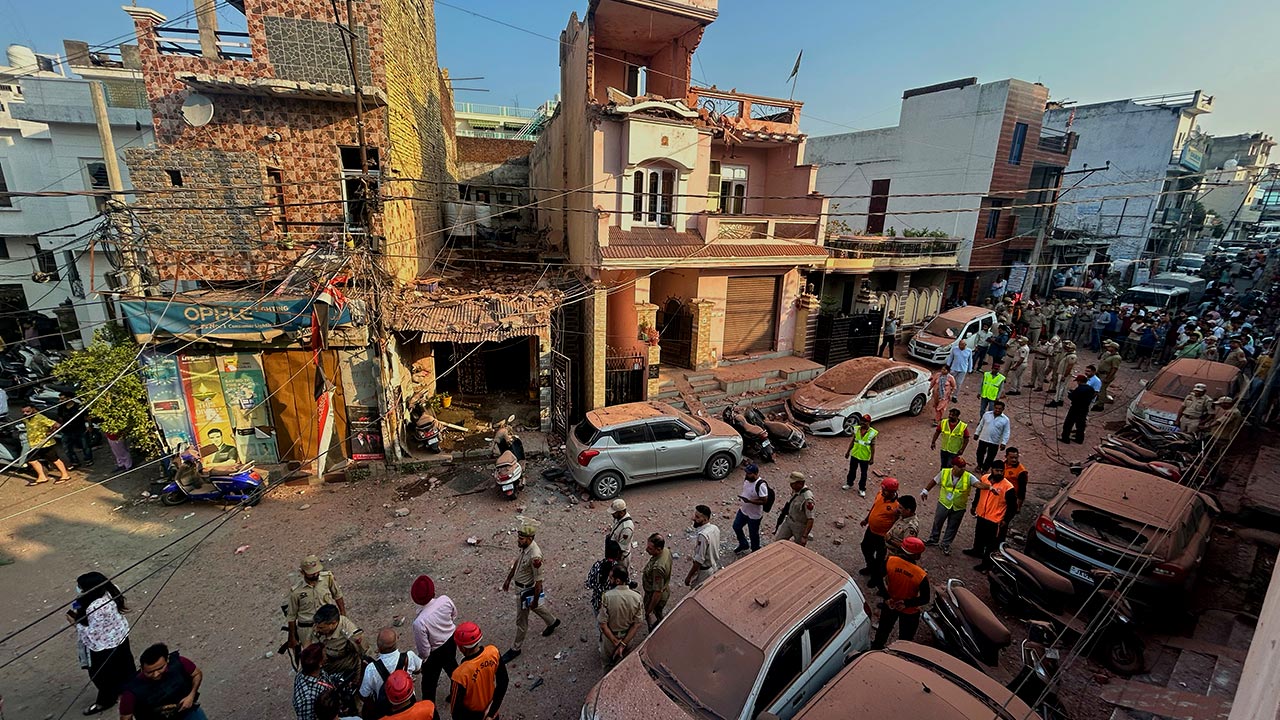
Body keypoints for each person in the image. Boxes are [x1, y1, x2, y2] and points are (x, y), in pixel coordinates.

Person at [69, 571, 134, 716]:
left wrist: (75, 622)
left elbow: (93, 633)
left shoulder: (95, 608)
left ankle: (106, 700)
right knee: (124, 666)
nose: (78, 588)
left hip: (101, 646)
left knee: (100, 675)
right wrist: (76, 606)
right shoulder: (110, 591)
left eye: (80, 586)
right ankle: (129, 690)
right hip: (120, 636)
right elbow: (79, 602)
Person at [500, 518, 560, 663]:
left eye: (521, 538)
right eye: (519, 538)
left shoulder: (535, 556)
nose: (518, 541)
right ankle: (552, 622)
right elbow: (517, 562)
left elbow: (539, 581)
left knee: (521, 621)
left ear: (530, 538)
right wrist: (508, 579)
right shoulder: (525, 549)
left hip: (525, 590)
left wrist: (534, 597)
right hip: (520, 588)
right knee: (536, 607)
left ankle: (516, 648)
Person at [119, 643, 205, 720]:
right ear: (141, 668)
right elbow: (126, 717)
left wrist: (191, 696)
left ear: (167, 660)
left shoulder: (179, 663)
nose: (156, 674)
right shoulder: (131, 691)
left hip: (187, 713)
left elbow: (196, 674)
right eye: (149, 672)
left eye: (160, 668)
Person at [871, 537, 930, 649]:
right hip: (909, 610)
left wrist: (886, 597)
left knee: (883, 630)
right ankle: (900, 656)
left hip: (891, 604)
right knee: (905, 639)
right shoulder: (920, 575)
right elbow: (925, 598)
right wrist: (905, 603)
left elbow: (876, 578)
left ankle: (875, 649)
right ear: (916, 555)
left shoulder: (890, 561)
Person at [409, 575, 456, 712]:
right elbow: (454, 615)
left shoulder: (419, 622)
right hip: (451, 641)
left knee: (428, 686)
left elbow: (424, 650)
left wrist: (423, 660)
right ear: (433, 591)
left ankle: (430, 712)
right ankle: (457, 692)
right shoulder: (445, 600)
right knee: (452, 668)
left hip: (435, 653)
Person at [288, 555, 347, 655]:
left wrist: (343, 617)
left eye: (317, 571)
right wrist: (292, 637)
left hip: (327, 626)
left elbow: (338, 596)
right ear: (302, 572)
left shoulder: (327, 578)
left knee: (333, 652)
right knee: (312, 656)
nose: (315, 574)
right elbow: (291, 616)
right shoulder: (296, 592)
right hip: (307, 629)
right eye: (311, 573)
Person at [449, 623, 509, 720]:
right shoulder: (493, 652)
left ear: (462, 647)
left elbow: (456, 712)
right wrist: (492, 711)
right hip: (492, 711)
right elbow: (503, 682)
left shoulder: (459, 675)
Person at [964, 460, 1016, 571]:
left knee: (991, 544)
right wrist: (974, 506)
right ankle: (977, 551)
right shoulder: (984, 479)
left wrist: (1006, 520)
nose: (999, 473)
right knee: (979, 535)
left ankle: (986, 565)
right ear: (992, 469)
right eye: (997, 470)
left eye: (1002, 471)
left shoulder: (1008, 487)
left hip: (995, 520)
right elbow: (978, 493)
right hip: (982, 514)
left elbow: (1013, 507)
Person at [921, 456, 978, 555]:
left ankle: (945, 544)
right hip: (944, 503)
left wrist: (988, 487)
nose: (963, 469)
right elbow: (934, 481)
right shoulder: (945, 472)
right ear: (953, 466)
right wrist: (925, 491)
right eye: (960, 467)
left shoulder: (969, 476)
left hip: (959, 506)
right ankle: (934, 539)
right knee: (938, 521)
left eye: (964, 467)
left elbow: (978, 484)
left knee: (953, 526)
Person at [361, 628, 423, 715]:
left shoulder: (371, 669)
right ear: (396, 642)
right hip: (408, 702)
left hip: (385, 709)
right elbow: (419, 670)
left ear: (378, 647)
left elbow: (364, 695)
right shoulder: (409, 657)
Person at [597, 566, 644, 666]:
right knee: (623, 664)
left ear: (617, 581)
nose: (609, 580)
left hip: (610, 639)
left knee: (607, 665)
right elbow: (637, 624)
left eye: (611, 578)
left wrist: (615, 642)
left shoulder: (607, 597)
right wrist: (622, 644)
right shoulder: (637, 597)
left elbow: (603, 624)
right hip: (627, 637)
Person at [311, 604, 367, 688]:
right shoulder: (319, 627)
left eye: (321, 628)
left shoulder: (350, 633)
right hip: (325, 661)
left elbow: (361, 657)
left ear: (333, 624)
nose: (316, 630)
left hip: (344, 662)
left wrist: (356, 681)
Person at [859, 478, 899, 592]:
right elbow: (874, 507)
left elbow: (896, 522)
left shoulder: (896, 506)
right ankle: (870, 567)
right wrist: (867, 519)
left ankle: (876, 577)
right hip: (871, 530)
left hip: (882, 536)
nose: (882, 491)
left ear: (891, 492)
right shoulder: (880, 494)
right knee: (865, 547)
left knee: (880, 558)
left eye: (885, 490)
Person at [20, 403, 70, 485]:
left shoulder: (40, 417)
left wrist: (50, 432)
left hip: (45, 444)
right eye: (23, 412)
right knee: (31, 460)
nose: (25, 413)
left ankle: (65, 475)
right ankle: (42, 477)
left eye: (28, 411)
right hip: (34, 444)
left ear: (33, 409)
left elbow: (57, 425)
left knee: (54, 459)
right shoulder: (26, 419)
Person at [293, 644, 335, 720]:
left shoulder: (313, 672)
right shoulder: (306, 700)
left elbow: (327, 679)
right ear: (320, 663)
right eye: (325, 655)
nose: (326, 657)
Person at [732, 464, 768, 554]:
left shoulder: (761, 485)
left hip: (754, 515)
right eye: (747, 473)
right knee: (736, 526)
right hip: (743, 510)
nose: (747, 475)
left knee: (753, 534)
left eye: (749, 473)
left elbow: (764, 501)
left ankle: (755, 550)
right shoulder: (747, 480)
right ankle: (743, 544)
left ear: (755, 474)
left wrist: (750, 501)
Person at [685, 504, 722, 587]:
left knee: (696, 591)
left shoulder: (703, 535)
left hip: (705, 571)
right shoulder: (714, 528)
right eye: (695, 516)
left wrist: (689, 576)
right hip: (714, 566)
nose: (693, 518)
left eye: (697, 517)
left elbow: (699, 560)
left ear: (705, 519)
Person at [774, 472, 815, 546]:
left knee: (799, 547)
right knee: (778, 542)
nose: (791, 485)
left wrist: (805, 536)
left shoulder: (807, 498)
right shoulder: (795, 490)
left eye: (793, 483)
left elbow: (810, 519)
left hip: (799, 526)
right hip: (789, 521)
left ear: (801, 483)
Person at [641, 534, 672, 629]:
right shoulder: (666, 551)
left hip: (654, 595)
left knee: (656, 613)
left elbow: (657, 592)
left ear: (658, 549)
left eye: (650, 548)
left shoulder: (658, 568)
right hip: (663, 588)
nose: (646, 549)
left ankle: (656, 629)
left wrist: (649, 610)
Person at [1000, 448, 1029, 542]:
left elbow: (1022, 491)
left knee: (1003, 524)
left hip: (1010, 501)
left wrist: (1018, 506)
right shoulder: (1002, 465)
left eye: (1015, 458)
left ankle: (998, 544)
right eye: (1011, 457)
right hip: (999, 498)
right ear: (1006, 457)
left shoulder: (1021, 472)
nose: (1014, 460)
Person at [844, 414, 877, 496]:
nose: (862, 423)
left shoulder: (872, 433)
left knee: (863, 474)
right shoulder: (856, 429)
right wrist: (848, 451)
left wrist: (872, 458)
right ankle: (849, 483)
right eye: (862, 421)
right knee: (852, 470)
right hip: (855, 454)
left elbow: (873, 447)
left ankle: (862, 488)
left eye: (865, 421)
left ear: (869, 422)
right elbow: (853, 441)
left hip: (864, 457)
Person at [57, 392, 93, 466]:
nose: (60, 401)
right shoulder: (61, 408)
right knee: (67, 448)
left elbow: (87, 417)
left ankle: (88, 459)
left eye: (62, 399)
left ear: (69, 398)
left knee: (85, 446)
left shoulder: (79, 407)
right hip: (67, 431)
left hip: (80, 429)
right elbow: (60, 418)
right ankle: (74, 461)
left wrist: (89, 426)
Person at [973, 401, 1011, 471]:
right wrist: (977, 433)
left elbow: (1006, 432)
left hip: (994, 441)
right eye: (996, 408)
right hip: (983, 438)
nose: (997, 410)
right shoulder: (987, 414)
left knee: (990, 456)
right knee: (979, 453)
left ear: (1003, 409)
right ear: (994, 407)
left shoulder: (1005, 420)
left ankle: (985, 468)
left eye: (999, 409)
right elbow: (981, 424)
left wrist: (1003, 443)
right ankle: (979, 465)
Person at [884, 495, 920, 561]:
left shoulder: (910, 528)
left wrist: (890, 540)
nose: (898, 509)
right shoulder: (904, 515)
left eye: (900, 508)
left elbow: (907, 547)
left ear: (908, 510)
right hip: (889, 551)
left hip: (896, 556)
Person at [1060, 375, 1094, 444]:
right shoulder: (1091, 389)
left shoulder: (1079, 389)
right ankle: (1079, 439)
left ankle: (1065, 438)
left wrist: (1070, 394)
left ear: (1079, 381)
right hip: (1084, 408)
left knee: (1068, 424)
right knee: (1080, 425)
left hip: (1075, 408)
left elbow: (1073, 397)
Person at [1046, 341, 1078, 408]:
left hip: (1064, 374)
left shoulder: (1072, 356)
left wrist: (1064, 376)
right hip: (1062, 372)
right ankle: (1060, 400)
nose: (1067, 348)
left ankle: (1055, 401)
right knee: (1062, 387)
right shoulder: (1068, 354)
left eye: (1068, 348)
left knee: (1060, 387)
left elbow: (1069, 367)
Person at [606, 499, 635, 570]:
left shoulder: (627, 527)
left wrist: (614, 561)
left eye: (614, 512)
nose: (612, 514)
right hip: (614, 554)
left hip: (621, 558)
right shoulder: (618, 519)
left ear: (621, 512)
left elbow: (621, 548)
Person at [1094, 341, 1123, 411]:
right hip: (1101, 373)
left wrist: (1108, 378)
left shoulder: (1116, 357)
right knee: (1099, 388)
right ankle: (1099, 401)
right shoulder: (1109, 354)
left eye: (1110, 347)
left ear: (1114, 348)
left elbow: (1114, 369)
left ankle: (1100, 405)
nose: (1108, 347)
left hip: (1106, 374)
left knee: (1102, 390)